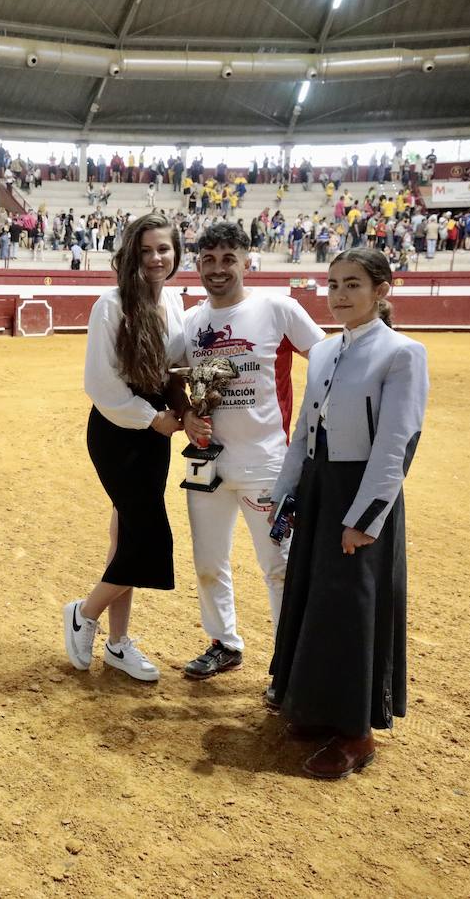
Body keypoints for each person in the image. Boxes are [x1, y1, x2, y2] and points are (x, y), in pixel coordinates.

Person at [266, 247, 428, 779]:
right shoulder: (326, 353)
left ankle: (356, 731)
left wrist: (366, 518)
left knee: (353, 603)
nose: (338, 294)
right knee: (314, 594)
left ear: (382, 291)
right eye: (333, 284)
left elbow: (396, 444)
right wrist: (286, 493)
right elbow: (303, 438)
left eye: (352, 284)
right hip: (319, 487)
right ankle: (315, 708)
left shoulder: (403, 354)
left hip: (359, 493)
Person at [178, 222, 325, 681]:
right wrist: (185, 414)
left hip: (269, 465)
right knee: (207, 562)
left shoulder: (278, 309)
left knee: (278, 566)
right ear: (198, 263)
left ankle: (289, 663)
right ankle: (224, 643)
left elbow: (326, 361)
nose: (218, 269)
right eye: (208, 259)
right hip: (207, 465)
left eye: (228, 259)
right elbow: (173, 380)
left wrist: (309, 435)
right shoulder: (191, 320)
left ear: (246, 260)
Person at [64, 213, 188, 682]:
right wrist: (152, 418)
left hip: (155, 431)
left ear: (176, 253)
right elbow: (100, 382)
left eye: (164, 249)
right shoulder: (111, 303)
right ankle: (85, 612)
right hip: (120, 430)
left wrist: (182, 409)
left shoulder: (174, 300)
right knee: (149, 538)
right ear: (132, 254)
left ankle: (117, 645)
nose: (156, 258)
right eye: (146, 250)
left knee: (129, 537)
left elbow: (175, 367)